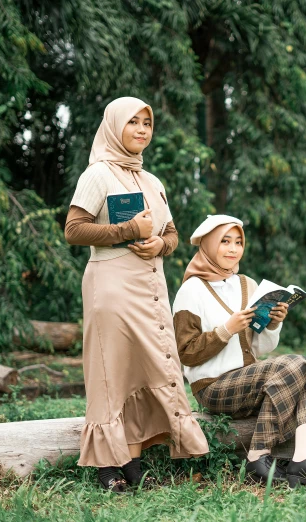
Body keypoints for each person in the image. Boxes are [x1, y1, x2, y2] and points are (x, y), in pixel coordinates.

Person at [64, 97, 208, 493]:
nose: (142, 130)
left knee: (147, 368)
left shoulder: (151, 181)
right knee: (111, 372)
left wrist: (159, 245)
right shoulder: (98, 175)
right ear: (114, 127)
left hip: (151, 288)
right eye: (133, 122)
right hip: (111, 286)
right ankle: (107, 466)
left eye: (147, 123)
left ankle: (133, 455)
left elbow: (173, 234)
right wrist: (125, 232)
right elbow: (74, 230)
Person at [172, 215, 306, 488]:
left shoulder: (247, 284)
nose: (233, 249)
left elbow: (259, 347)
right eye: (225, 242)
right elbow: (185, 353)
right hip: (213, 387)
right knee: (300, 365)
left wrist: (273, 323)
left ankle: (303, 461)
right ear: (208, 245)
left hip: (253, 380)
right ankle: (258, 455)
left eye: (238, 242)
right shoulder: (191, 290)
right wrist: (226, 329)